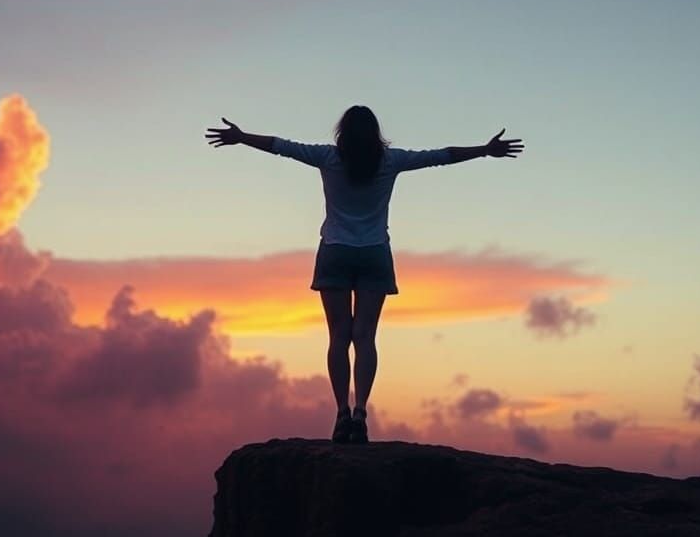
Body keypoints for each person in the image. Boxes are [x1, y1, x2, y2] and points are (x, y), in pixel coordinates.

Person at [205, 105, 523, 444]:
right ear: (375, 133)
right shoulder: (390, 161)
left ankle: (342, 412)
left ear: (342, 131)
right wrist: (485, 151)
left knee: (338, 337)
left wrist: (240, 137)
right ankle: (360, 414)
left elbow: (280, 145)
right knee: (365, 338)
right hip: (374, 253)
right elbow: (441, 156)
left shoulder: (328, 158)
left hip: (336, 252)